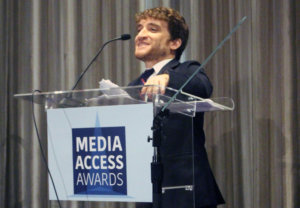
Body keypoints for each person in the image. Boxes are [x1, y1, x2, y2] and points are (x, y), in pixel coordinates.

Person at [129, 7, 225, 208]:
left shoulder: (186, 70)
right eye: (139, 29)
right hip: (146, 190)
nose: (140, 35)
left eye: (152, 29)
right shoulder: (133, 87)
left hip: (185, 189)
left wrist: (168, 77)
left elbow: (202, 86)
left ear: (175, 43)